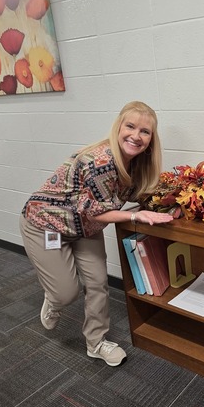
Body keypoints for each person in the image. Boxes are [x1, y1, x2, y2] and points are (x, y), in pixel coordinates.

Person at [20, 101, 173, 367]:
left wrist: (175, 204)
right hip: (46, 225)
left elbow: (143, 195)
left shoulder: (137, 164)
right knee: (66, 293)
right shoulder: (99, 160)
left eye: (145, 132)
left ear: (151, 139)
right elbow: (93, 211)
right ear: (118, 127)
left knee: (98, 284)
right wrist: (136, 215)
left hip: (85, 229)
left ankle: (96, 342)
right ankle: (54, 299)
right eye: (130, 126)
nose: (136, 136)